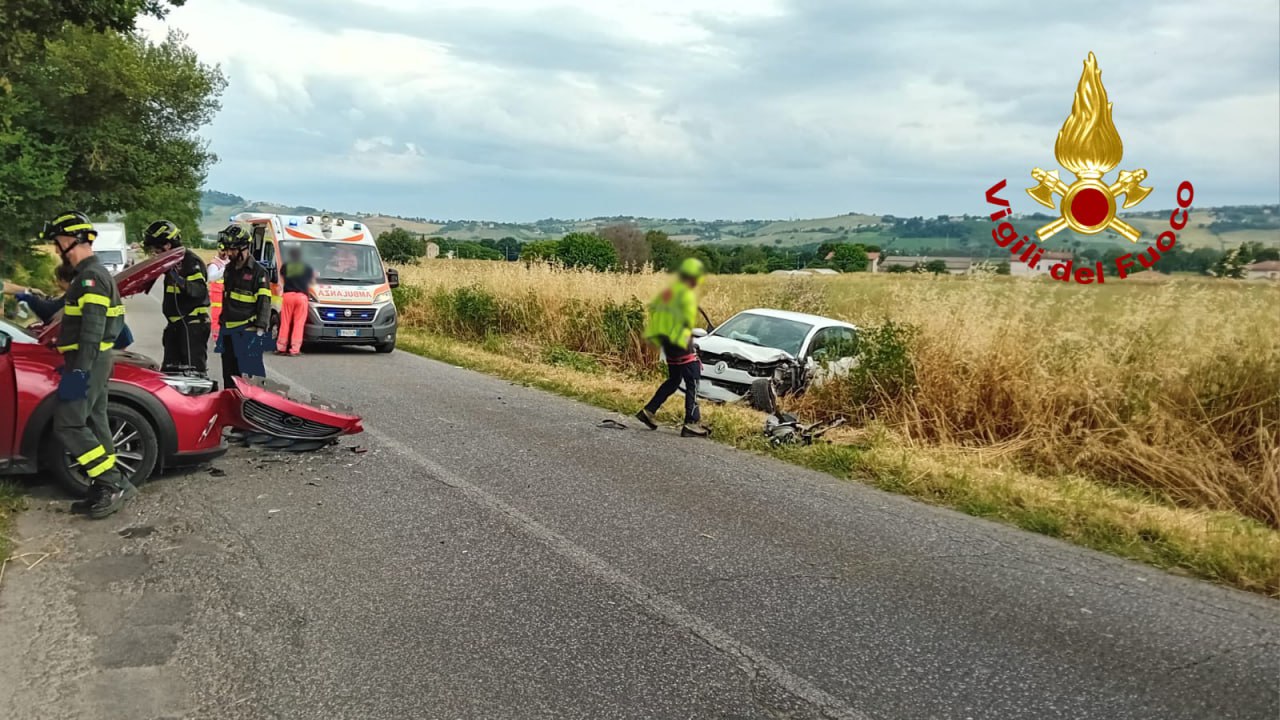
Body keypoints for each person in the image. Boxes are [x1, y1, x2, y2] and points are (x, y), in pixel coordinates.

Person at [39, 211, 134, 518]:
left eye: (57, 242)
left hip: (87, 362)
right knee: (95, 422)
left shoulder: (90, 278)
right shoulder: (94, 275)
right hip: (92, 360)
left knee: (68, 423)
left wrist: (78, 370)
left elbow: (92, 331)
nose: (56, 249)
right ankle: (102, 488)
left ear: (71, 240)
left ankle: (112, 483)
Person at [635, 258, 710, 438]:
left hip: (668, 346)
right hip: (681, 345)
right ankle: (691, 422)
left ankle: (649, 411)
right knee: (693, 380)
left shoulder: (669, 293)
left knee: (674, 380)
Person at [141, 220, 210, 374]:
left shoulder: (191, 262)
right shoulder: (170, 261)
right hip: (175, 327)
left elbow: (199, 291)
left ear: (168, 244)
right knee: (170, 373)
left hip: (192, 326)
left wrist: (176, 277)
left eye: (157, 248)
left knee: (193, 373)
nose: (155, 252)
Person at [12, 265, 135, 349]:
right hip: (119, 335)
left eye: (57, 280)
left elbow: (51, 312)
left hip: (114, 339)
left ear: (63, 279)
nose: (56, 283)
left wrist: (30, 299)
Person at [215, 225, 271, 392]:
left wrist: (260, 331)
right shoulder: (229, 269)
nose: (228, 254)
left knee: (250, 379)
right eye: (227, 249)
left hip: (248, 332)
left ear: (243, 248)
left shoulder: (258, 273)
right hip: (228, 331)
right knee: (229, 376)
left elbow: (264, 303)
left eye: (232, 249)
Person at [276, 245, 314, 356]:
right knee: (299, 323)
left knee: (285, 322)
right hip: (301, 297)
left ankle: (281, 347)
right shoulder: (307, 267)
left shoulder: (286, 266)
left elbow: (282, 276)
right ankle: (295, 349)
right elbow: (311, 279)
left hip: (288, 296)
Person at [207, 235, 230, 341]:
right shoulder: (214, 264)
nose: (224, 253)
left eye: (226, 250)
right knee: (216, 318)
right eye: (222, 251)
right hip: (217, 297)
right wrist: (223, 270)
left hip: (225, 295)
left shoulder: (227, 262)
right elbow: (211, 277)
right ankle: (217, 337)